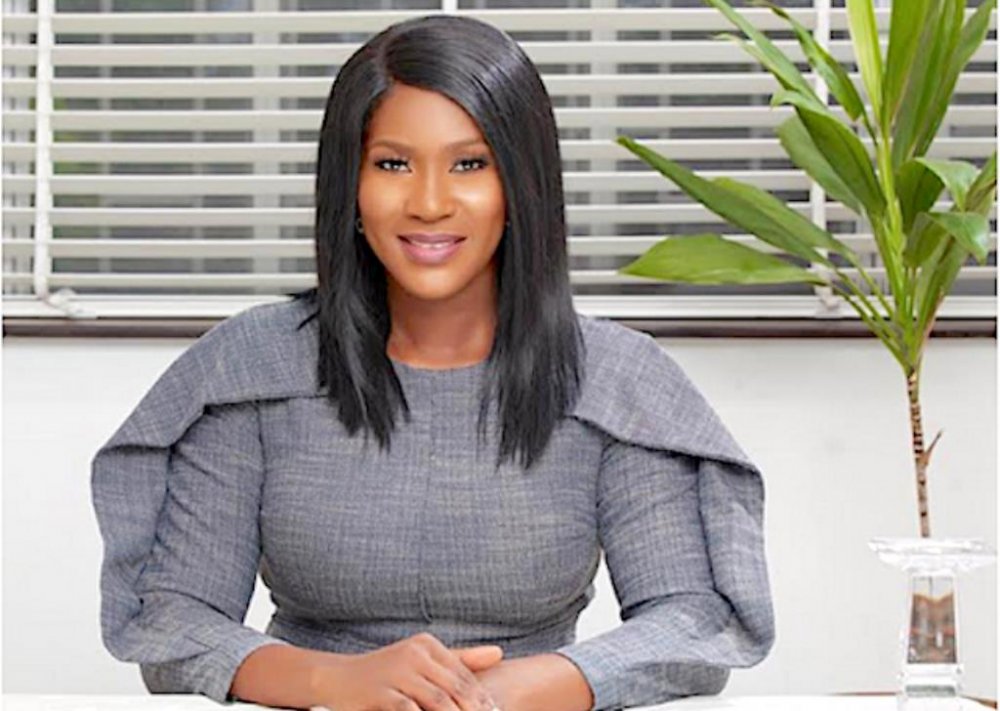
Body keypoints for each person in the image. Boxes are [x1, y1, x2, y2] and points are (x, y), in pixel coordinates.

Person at [91, 14, 775, 711]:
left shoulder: (618, 378)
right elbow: (172, 620)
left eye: (469, 164)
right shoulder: (250, 366)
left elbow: (692, 621)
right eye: (392, 164)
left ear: (522, 184)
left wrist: (523, 688)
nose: (429, 203)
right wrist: (333, 680)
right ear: (350, 185)